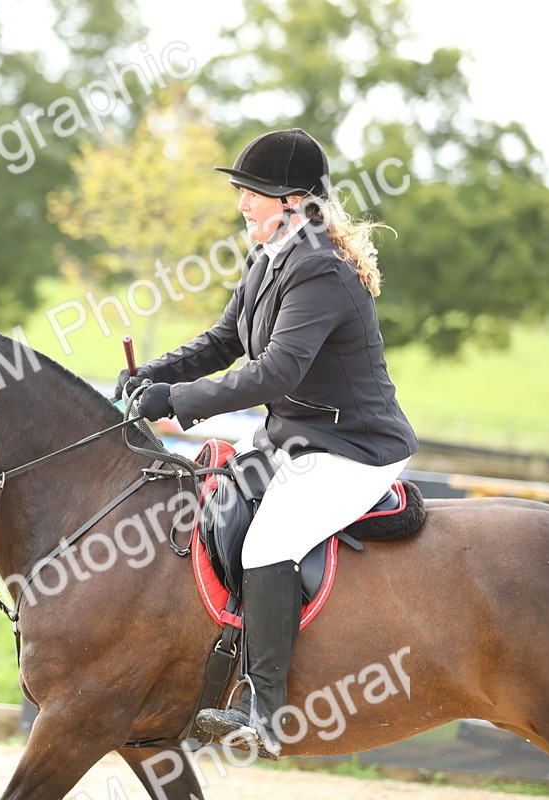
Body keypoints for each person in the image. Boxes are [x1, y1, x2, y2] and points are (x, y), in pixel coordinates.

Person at [114, 128, 418, 757]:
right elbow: (224, 341)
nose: (242, 204)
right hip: (298, 440)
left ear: (293, 200)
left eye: (252, 193)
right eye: (242, 192)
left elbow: (275, 372)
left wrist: (177, 404)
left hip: (354, 448)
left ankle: (266, 714)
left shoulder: (322, 273)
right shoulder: (270, 257)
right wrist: (156, 374)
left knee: (269, 541)